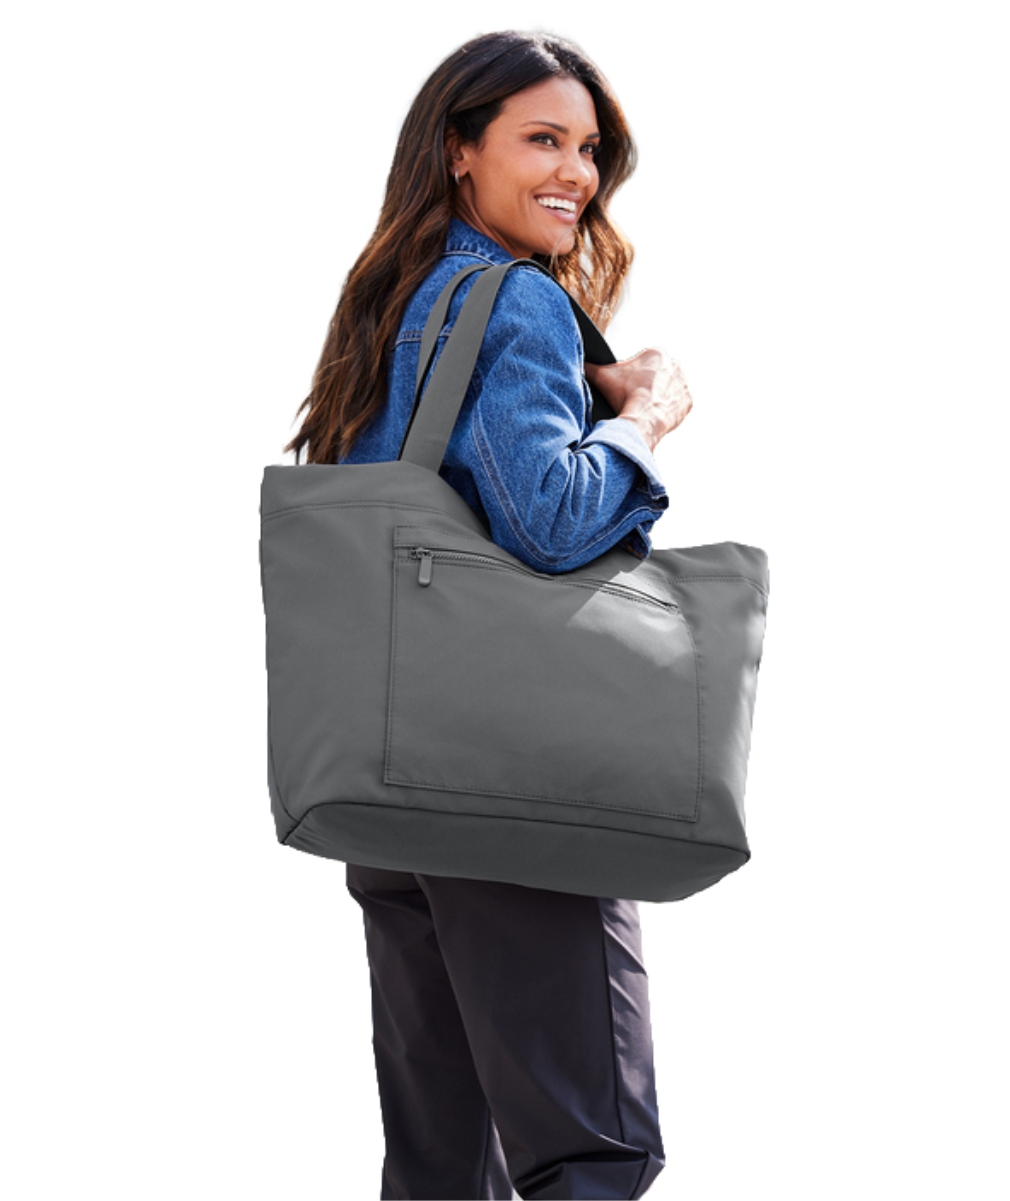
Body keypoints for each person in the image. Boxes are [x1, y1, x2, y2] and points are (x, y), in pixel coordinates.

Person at [285, 30, 693, 1201]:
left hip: (387, 778)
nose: (575, 172)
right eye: (542, 140)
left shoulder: (390, 302)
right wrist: (642, 419)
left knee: (441, 1162)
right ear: (459, 149)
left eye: (590, 149)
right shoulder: (516, 302)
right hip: (506, 777)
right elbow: (549, 522)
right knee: (591, 1151)